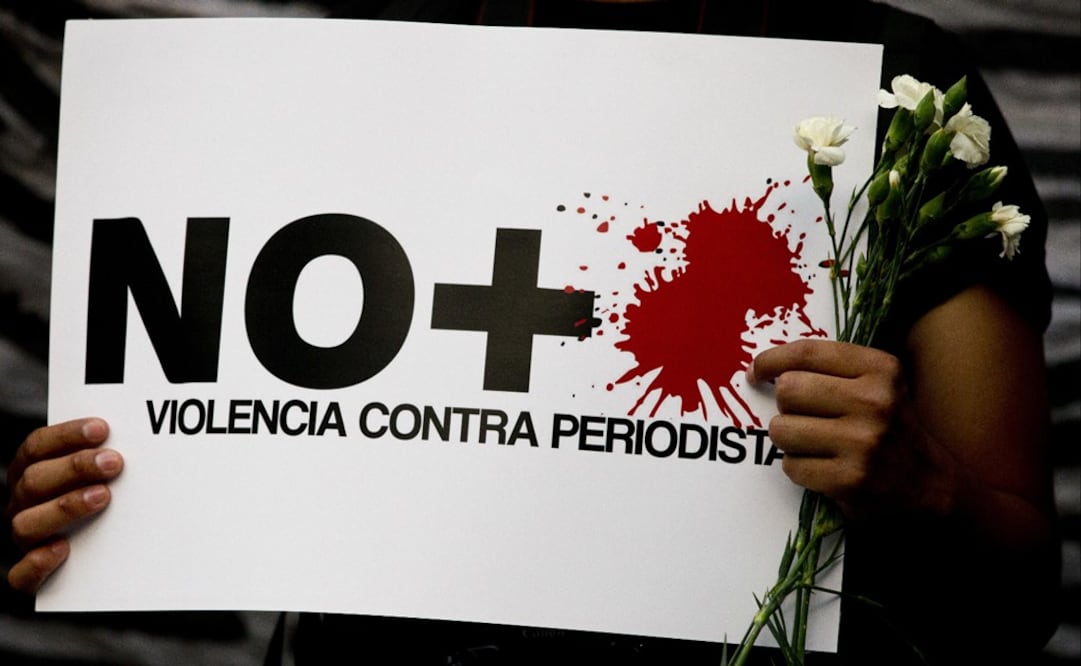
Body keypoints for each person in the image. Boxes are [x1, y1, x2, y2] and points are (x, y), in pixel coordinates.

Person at [4, 1, 1061, 663]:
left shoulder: (896, 87)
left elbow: (1018, 606)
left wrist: (924, 490)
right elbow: (242, 429)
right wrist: (97, 502)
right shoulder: (363, 55)